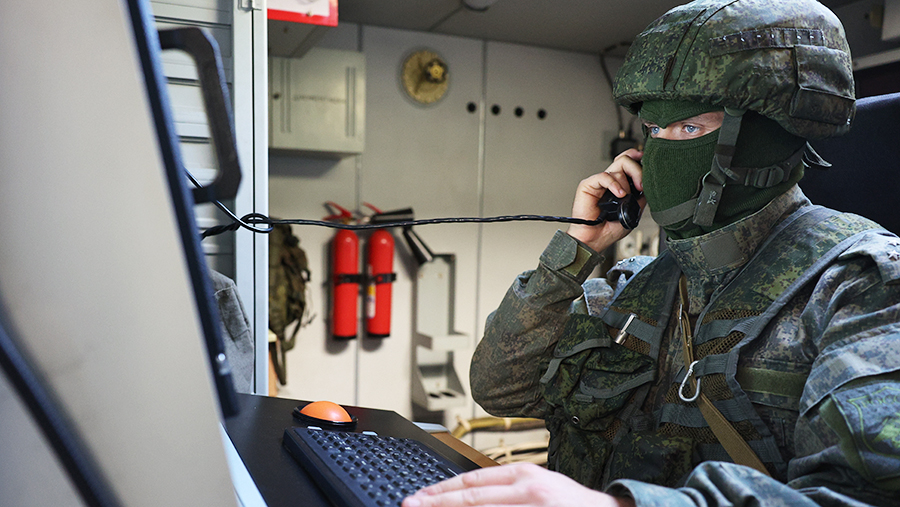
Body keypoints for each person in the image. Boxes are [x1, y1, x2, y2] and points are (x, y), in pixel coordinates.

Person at [402, 0, 900, 506]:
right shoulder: (634, 286)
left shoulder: (863, 286)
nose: (658, 152)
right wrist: (576, 251)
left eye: (689, 129)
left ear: (767, 137)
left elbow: (859, 498)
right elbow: (499, 387)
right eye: (653, 131)